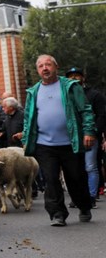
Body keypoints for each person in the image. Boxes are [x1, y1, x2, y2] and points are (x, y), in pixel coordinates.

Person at [22, 55, 96, 226]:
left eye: (48, 64)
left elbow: (85, 110)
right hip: (44, 145)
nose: (44, 68)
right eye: (41, 66)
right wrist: (26, 138)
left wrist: (89, 132)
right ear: (38, 70)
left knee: (76, 178)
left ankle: (84, 206)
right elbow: (28, 118)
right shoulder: (33, 92)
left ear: (56, 66)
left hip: (71, 142)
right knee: (51, 179)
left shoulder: (70, 86)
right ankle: (57, 214)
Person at [64, 67, 106, 207]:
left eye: (77, 75)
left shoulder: (95, 95)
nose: (74, 78)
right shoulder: (65, 96)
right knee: (74, 168)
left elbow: (102, 115)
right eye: (71, 76)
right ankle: (77, 197)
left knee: (90, 167)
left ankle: (92, 196)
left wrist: (94, 133)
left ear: (83, 78)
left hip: (89, 137)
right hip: (70, 137)